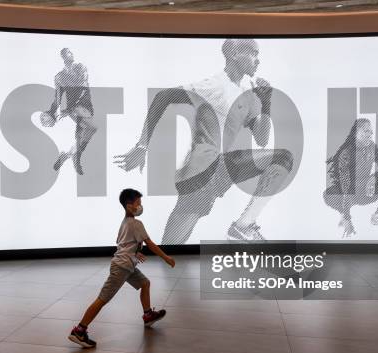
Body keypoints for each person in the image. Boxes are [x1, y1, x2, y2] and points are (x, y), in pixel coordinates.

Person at [114, 39, 293, 243]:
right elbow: (163, 97)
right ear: (234, 54)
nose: (257, 60)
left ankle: (243, 226)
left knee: (282, 158)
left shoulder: (248, 92)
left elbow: (262, 139)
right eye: (253, 53)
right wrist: (142, 145)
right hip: (199, 171)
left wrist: (266, 102)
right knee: (172, 246)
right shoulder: (214, 85)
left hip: (222, 166)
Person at [68, 188, 175, 348]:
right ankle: (79, 330)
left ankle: (147, 315)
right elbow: (150, 244)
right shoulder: (136, 224)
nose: (140, 206)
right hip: (122, 267)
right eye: (138, 203)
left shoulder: (125, 223)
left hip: (127, 264)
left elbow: (123, 243)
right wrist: (166, 258)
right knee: (102, 299)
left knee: (145, 283)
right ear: (128, 205)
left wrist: (135, 252)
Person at [324, 118, 378, 238]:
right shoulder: (346, 153)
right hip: (353, 196)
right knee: (328, 194)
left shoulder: (373, 147)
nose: (371, 134)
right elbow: (345, 186)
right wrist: (347, 217)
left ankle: (377, 216)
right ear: (356, 133)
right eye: (367, 131)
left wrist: (373, 178)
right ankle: (343, 215)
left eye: (371, 131)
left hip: (369, 191)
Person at [41, 48, 97, 175]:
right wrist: (51, 112)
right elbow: (57, 98)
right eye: (66, 54)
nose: (69, 55)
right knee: (92, 128)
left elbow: (83, 87)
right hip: (76, 109)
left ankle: (66, 156)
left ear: (72, 55)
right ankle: (73, 157)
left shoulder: (81, 68)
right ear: (63, 57)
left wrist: (68, 109)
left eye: (70, 53)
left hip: (85, 106)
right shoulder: (59, 77)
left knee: (81, 136)